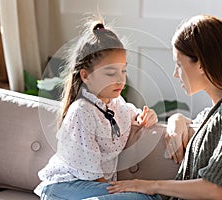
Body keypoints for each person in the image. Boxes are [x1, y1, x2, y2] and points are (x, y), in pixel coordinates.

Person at [107, 15, 222, 199]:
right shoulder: (215, 113)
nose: (175, 74)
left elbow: (216, 189)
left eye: (179, 64)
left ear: (200, 63)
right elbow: (202, 127)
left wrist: (150, 186)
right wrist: (177, 119)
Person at [34, 18, 161, 200]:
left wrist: (147, 116)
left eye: (123, 71)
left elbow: (135, 115)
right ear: (86, 76)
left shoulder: (118, 105)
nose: (120, 79)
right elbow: (91, 173)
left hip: (92, 187)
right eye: (111, 73)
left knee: (150, 197)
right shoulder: (82, 111)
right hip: (63, 187)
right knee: (145, 198)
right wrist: (117, 192)